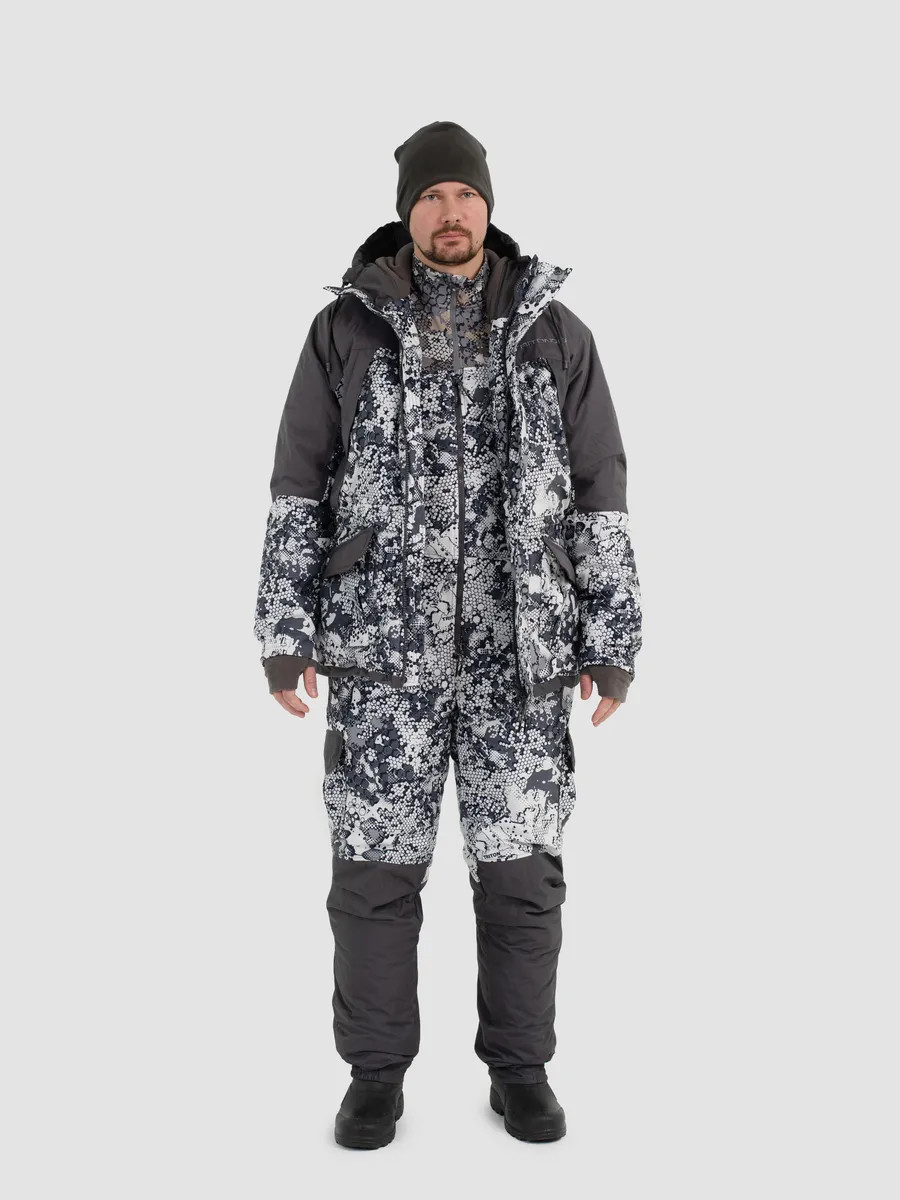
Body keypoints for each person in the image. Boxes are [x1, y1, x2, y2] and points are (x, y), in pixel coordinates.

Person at [253, 120, 642, 1149]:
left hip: (521, 658)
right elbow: (298, 484)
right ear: (407, 214)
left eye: (464, 194)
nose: (450, 212)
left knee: (522, 879)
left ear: (489, 206)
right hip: (382, 656)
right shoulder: (346, 330)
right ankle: (374, 1075)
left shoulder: (557, 334)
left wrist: (611, 638)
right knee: (373, 879)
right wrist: (285, 626)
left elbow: (600, 492)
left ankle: (521, 1068)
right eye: (431, 197)